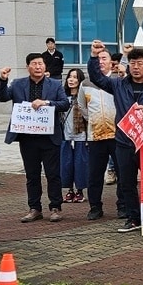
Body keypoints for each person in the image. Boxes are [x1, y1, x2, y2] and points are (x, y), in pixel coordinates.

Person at [87, 41, 143, 232]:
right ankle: (134, 218)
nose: (136, 67)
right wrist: (94, 56)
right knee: (126, 182)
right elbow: (97, 78)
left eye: (140, 63)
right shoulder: (118, 85)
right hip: (124, 142)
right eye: (132, 63)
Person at [0, 53, 72, 223]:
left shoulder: (54, 84)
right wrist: (3, 80)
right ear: (28, 67)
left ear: (45, 67)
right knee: (32, 175)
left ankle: (55, 207)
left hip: (49, 137)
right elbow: (3, 97)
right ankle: (34, 208)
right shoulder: (18, 84)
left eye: (41, 64)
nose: (38, 67)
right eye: (34, 64)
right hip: (27, 137)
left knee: (53, 174)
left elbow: (64, 104)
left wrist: (46, 102)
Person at [81, 49, 120, 220]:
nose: (100, 61)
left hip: (118, 135)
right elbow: (83, 108)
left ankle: (123, 206)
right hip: (95, 135)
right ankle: (95, 207)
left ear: (111, 62)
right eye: (97, 59)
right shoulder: (85, 84)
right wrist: (95, 121)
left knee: (123, 173)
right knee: (94, 174)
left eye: (104, 58)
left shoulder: (118, 81)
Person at [60, 68, 90, 204]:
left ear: (80, 80)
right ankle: (69, 190)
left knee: (80, 164)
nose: (71, 80)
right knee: (65, 164)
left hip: (81, 135)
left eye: (75, 77)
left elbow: (89, 117)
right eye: (69, 77)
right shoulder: (61, 96)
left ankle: (80, 191)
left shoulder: (84, 97)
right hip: (65, 136)